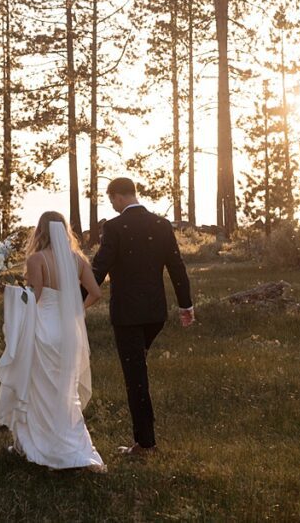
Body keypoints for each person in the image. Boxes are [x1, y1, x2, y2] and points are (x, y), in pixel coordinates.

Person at [0, 211, 106, 472]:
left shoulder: (37, 259)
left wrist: (1, 288)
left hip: (45, 330)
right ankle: (75, 448)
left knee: (41, 390)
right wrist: (76, 310)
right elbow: (96, 293)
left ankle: (42, 447)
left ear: (40, 231)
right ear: (64, 230)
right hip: (69, 332)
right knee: (65, 392)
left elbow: (32, 297)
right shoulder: (76, 259)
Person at [90, 177, 194, 457]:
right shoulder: (161, 224)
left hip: (127, 315)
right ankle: (145, 439)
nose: (111, 204)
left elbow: (99, 268)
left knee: (135, 376)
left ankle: (145, 444)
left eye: (111, 199)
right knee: (138, 370)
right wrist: (186, 305)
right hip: (155, 313)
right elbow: (176, 265)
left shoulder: (113, 227)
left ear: (119, 197)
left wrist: (75, 300)